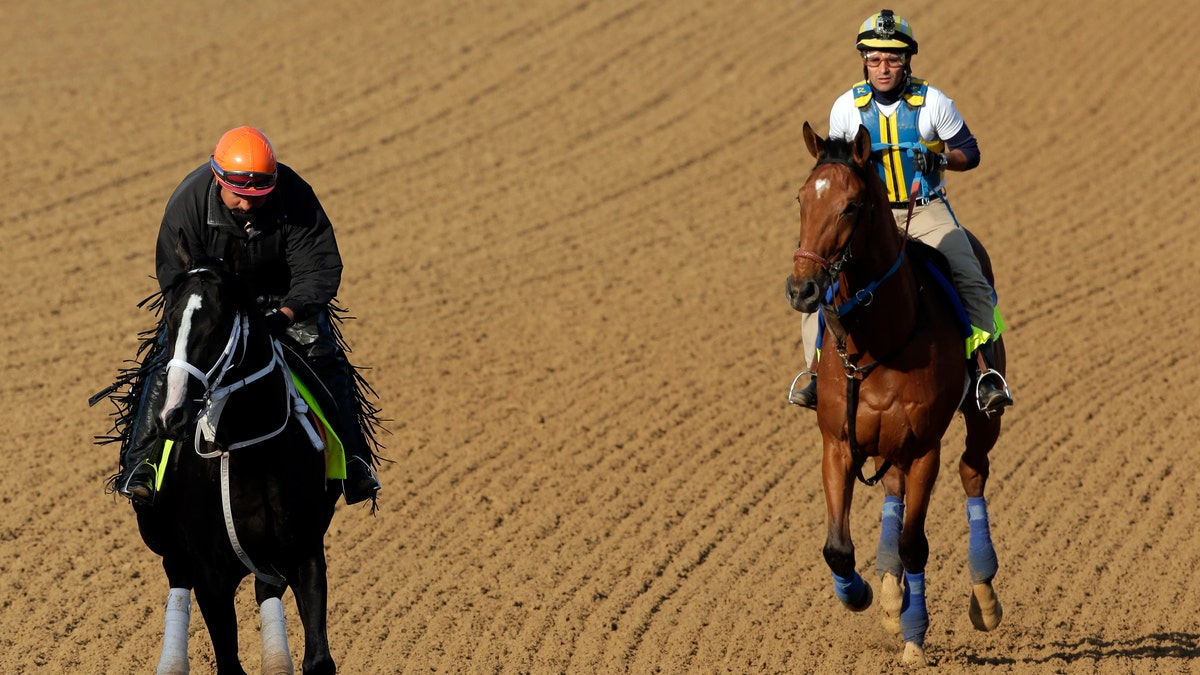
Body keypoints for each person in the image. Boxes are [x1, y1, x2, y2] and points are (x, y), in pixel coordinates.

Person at [110, 126, 383, 506]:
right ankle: (141, 465)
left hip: (282, 300)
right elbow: (174, 276)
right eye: (238, 196)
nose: (248, 204)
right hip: (214, 299)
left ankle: (353, 463)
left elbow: (318, 270)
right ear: (218, 179)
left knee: (324, 353)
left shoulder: (297, 196)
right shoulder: (188, 202)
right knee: (167, 358)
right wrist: (212, 312)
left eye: (259, 197)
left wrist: (282, 316)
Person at [792, 9, 1012, 414]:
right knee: (819, 279)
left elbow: (972, 152)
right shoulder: (846, 107)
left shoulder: (933, 103)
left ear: (907, 60)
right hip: (868, 220)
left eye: (892, 58)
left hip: (926, 211)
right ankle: (815, 372)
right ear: (864, 60)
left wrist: (942, 161)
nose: (883, 67)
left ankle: (985, 373)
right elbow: (839, 170)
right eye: (874, 58)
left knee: (969, 274)